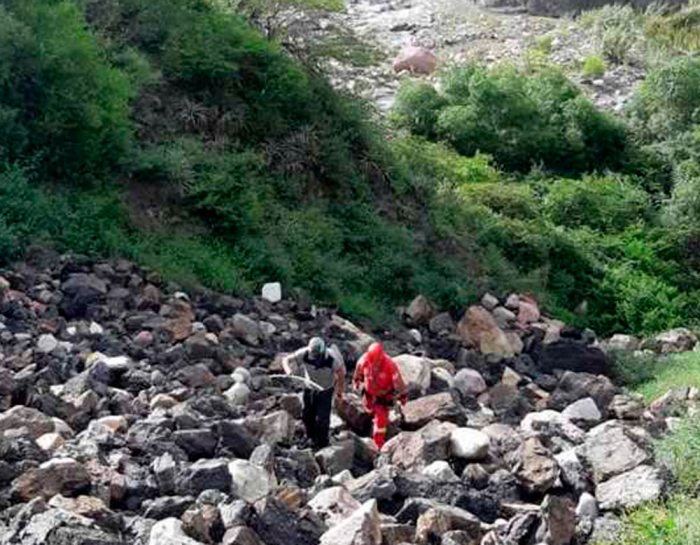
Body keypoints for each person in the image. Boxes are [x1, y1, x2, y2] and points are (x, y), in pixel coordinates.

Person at [282, 337, 345, 449]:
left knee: (323, 419)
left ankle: (323, 443)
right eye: (314, 354)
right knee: (307, 415)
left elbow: (341, 373)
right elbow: (286, 360)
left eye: (317, 355)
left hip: (325, 390)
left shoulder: (332, 358)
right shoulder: (304, 353)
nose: (315, 358)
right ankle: (310, 437)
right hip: (309, 389)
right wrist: (288, 370)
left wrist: (339, 393)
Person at [352, 342, 407, 449]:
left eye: (376, 362)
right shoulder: (364, 360)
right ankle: (366, 429)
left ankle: (378, 444)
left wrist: (403, 395)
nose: (374, 365)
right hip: (368, 394)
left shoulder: (390, 365)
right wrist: (356, 381)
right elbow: (358, 372)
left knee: (381, 420)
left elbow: (398, 382)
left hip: (383, 396)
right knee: (367, 411)